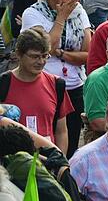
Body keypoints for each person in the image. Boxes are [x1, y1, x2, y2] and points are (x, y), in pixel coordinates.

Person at [20, 0, 91, 157]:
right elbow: (44, 48)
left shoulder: (79, 11)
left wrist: (62, 54)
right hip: (46, 85)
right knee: (47, 139)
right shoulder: (32, 13)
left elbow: (88, 54)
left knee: (73, 140)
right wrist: (60, 18)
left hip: (75, 85)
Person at [2, 29, 74, 158]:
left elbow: (61, 131)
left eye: (45, 56)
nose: (41, 62)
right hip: (12, 164)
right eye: (34, 56)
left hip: (48, 163)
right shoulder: (3, 83)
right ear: (18, 54)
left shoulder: (57, 84)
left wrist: (60, 163)